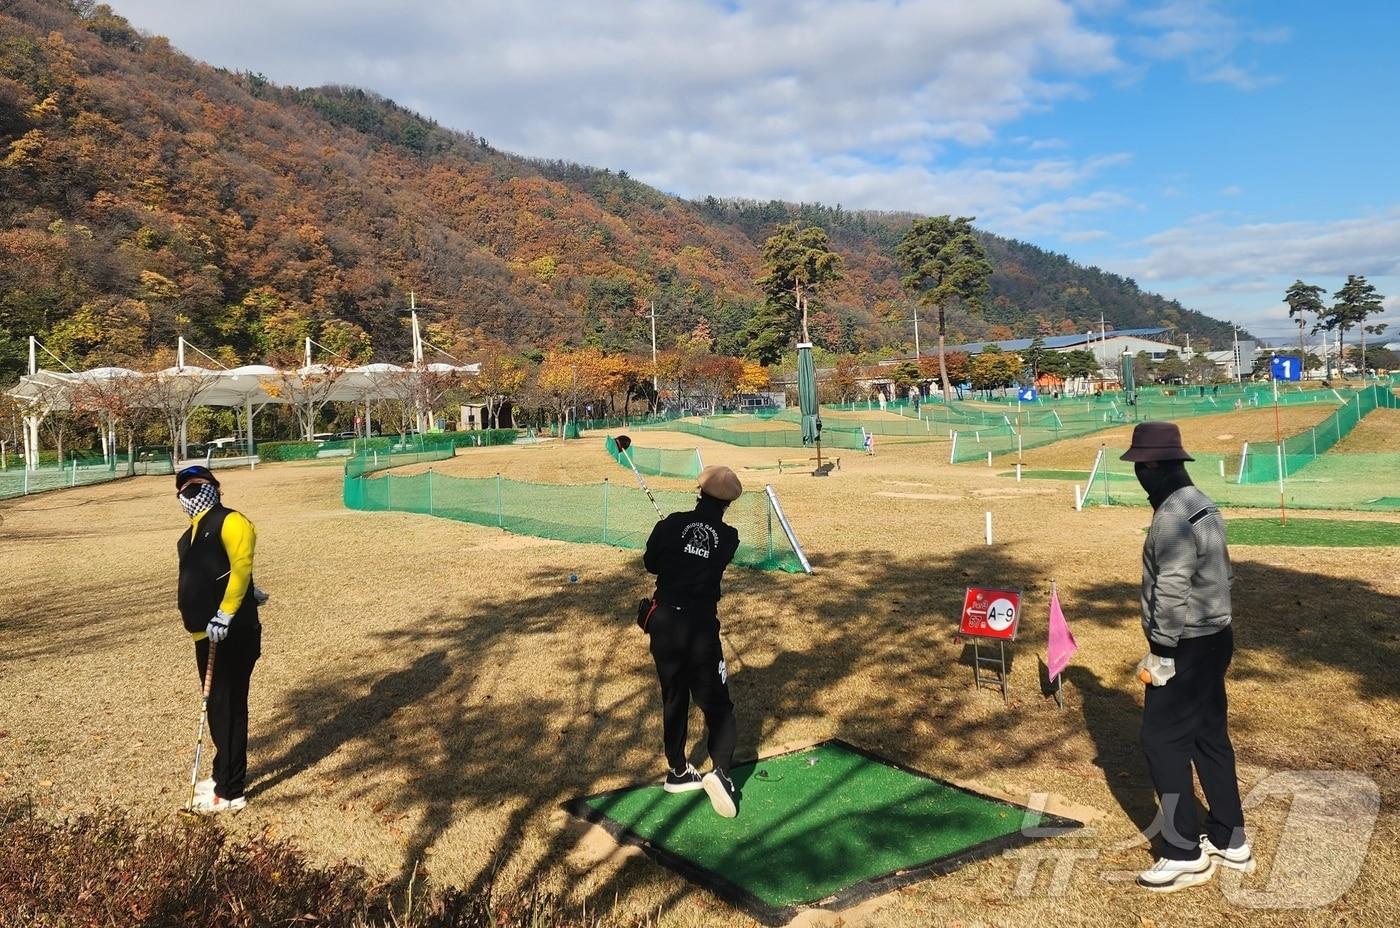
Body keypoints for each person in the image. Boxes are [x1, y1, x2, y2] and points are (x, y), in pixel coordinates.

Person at [1121, 424, 1252, 892]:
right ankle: (1231, 837)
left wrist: (1161, 651)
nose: (1137, 474)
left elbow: (1172, 587)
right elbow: (1224, 572)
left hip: (1187, 645)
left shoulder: (1173, 514)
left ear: (1153, 465)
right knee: (1208, 736)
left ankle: (1183, 853)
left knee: (1162, 741)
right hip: (1217, 637)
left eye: (1139, 465)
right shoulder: (1202, 502)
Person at [642, 465, 742, 818]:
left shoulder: (670, 524)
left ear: (698, 492)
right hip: (699, 625)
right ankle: (722, 773)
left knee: (674, 696)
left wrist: (670, 536)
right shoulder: (729, 537)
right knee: (718, 705)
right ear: (727, 504)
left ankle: (678, 770)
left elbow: (651, 564)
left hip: (664, 621)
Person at [175, 465, 265, 814]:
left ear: (215, 487)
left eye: (199, 486)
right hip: (203, 632)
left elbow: (241, 565)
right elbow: (213, 572)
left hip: (231, 631)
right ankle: (220, 773)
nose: (191, 493)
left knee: (229, 708)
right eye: (184, 489)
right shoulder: (189, 536)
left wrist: (228, 611)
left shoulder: (231, 521)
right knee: (217, 707)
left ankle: (231, 790)